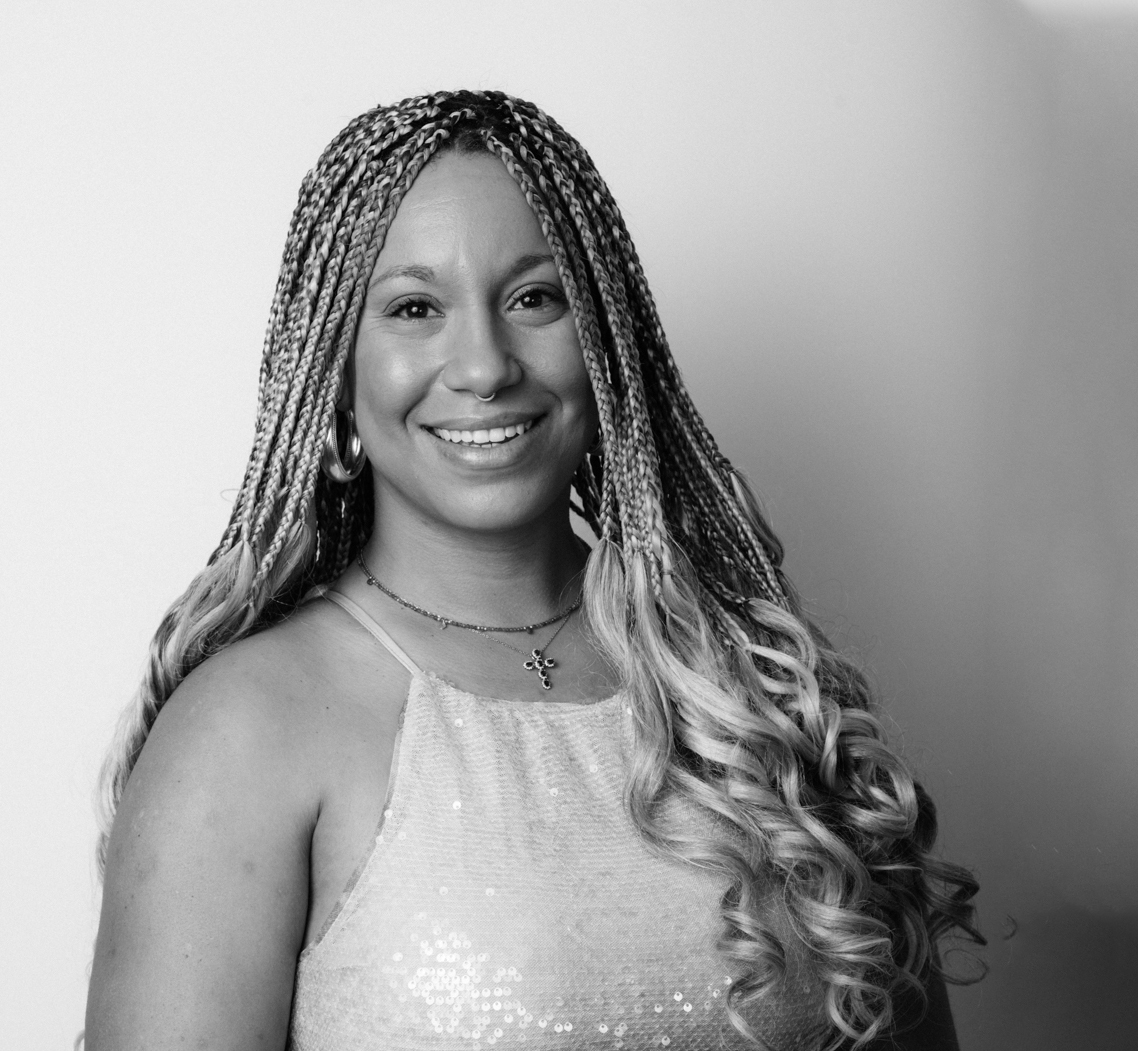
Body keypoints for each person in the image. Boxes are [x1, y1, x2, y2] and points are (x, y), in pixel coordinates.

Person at [84, 91, 982, 1051]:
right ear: (334, 377)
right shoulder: (243, 731)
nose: (484, 365)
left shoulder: (759, 694)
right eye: (414, 308)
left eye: (534, 298)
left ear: (606, 347)